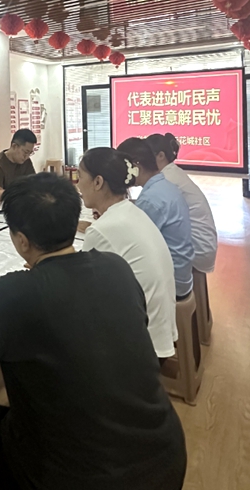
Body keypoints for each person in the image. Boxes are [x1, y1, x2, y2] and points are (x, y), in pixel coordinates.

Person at [0, 172, 187, 490]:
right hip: (165, 457)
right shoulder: (115, 267)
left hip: (80, 478)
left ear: (21, 240)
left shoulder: (16, 292)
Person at [75, 147, 178, 360]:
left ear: (98, 182)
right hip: (161, 333)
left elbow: (81, 292)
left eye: (80, 176)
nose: (77, 184)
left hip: (143, 347)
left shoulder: (102, 230)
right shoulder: (132, 211)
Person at [118, 138, 195, 300]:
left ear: (136, 166)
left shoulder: (150, 199)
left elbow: (133, 245)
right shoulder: (164, 185)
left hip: (172, 283)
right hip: (182, 274)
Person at [147, 132, 219, 273]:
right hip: (203, 245)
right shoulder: (172, 173)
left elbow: (149, 215)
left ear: (161, 156)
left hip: (197, 248)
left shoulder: (167, 178)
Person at [0, 129, 37, 202]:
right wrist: (20, 192)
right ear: (14, 146)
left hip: (14, 203)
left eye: (30, 153)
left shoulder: (26, 161)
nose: (27, 156)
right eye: (25, 152)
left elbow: (33, 184)